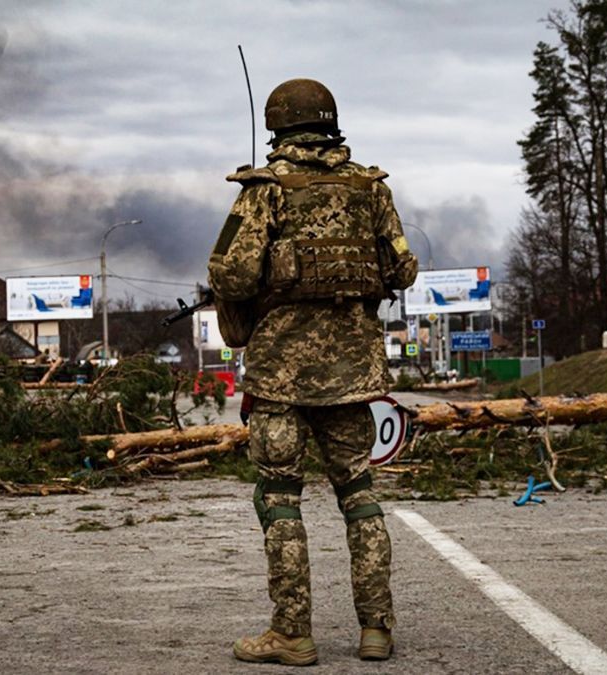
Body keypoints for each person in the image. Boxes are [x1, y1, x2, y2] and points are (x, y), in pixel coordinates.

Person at [208, 78, 418, 666]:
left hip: (280, 374)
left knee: (279, 497)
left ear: (278, 126)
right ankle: (376, 628)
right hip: (354, 370)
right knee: (359, 494)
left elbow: (232, 275)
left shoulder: (265, 190)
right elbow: (402, 269)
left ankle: (292, 633)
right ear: (331, 123)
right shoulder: (371, 189)